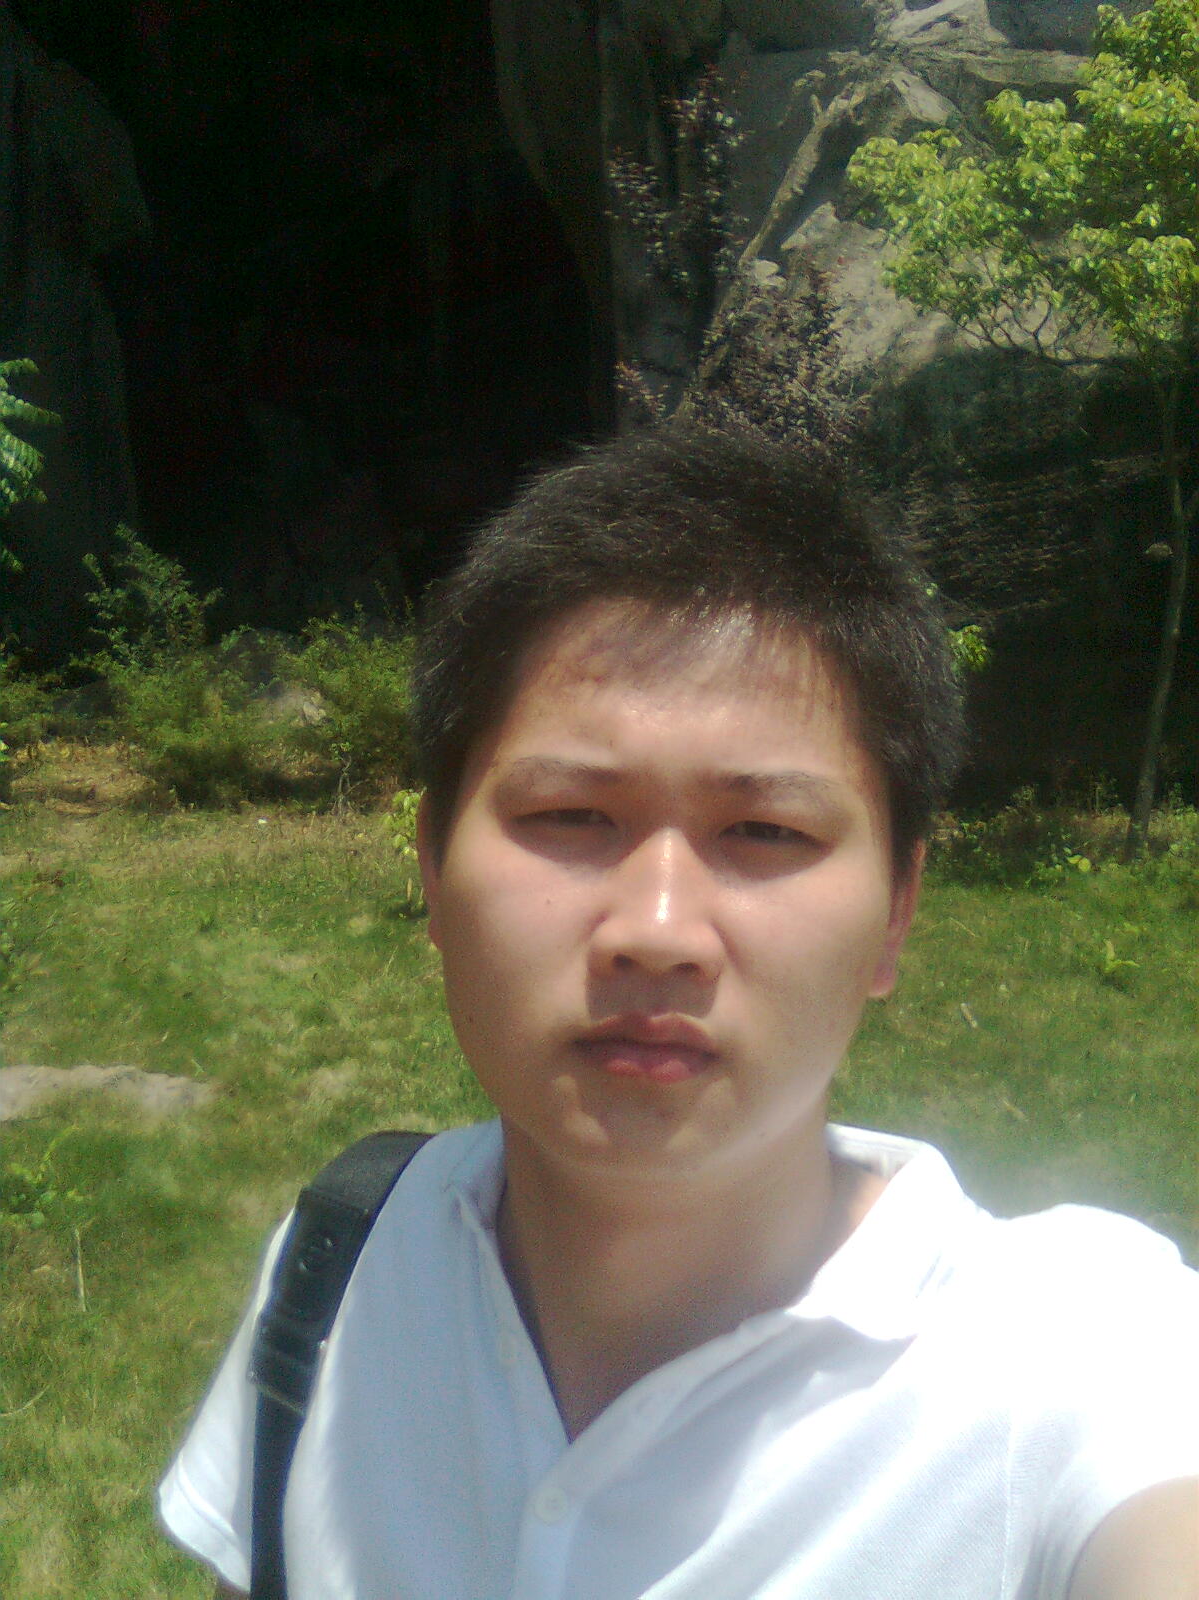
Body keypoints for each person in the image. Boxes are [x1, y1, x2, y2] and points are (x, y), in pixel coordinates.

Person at [159, 426, 1199, 1599]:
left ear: (897, 913)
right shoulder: (345, 1261)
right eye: (568, 815)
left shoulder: (1080, 1357)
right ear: (434, 870)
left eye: (766, 831)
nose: (656, 928)